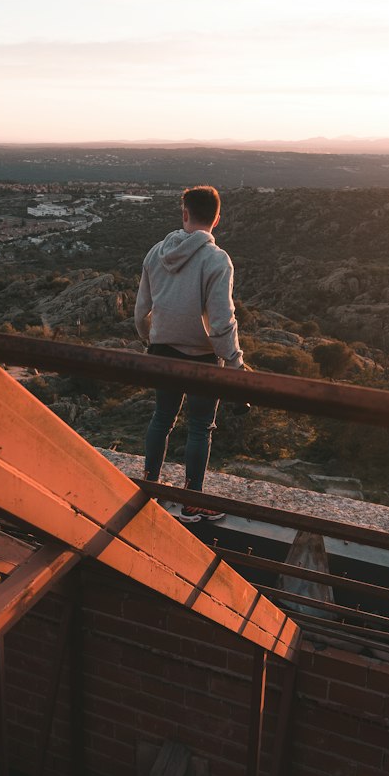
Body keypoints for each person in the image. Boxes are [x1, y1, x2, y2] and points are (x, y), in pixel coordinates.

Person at [135, 185, 244, 524]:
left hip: (161, 351)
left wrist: (149, 340)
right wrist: (236, 362)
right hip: (201, 357)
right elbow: (222, 321)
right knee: (199, 427)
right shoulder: (216, 259)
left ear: (184, 215)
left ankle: (149, 489)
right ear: (217, 219)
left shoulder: (156, 252)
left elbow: (141, 310)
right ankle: (192, 502)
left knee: (161, 419)